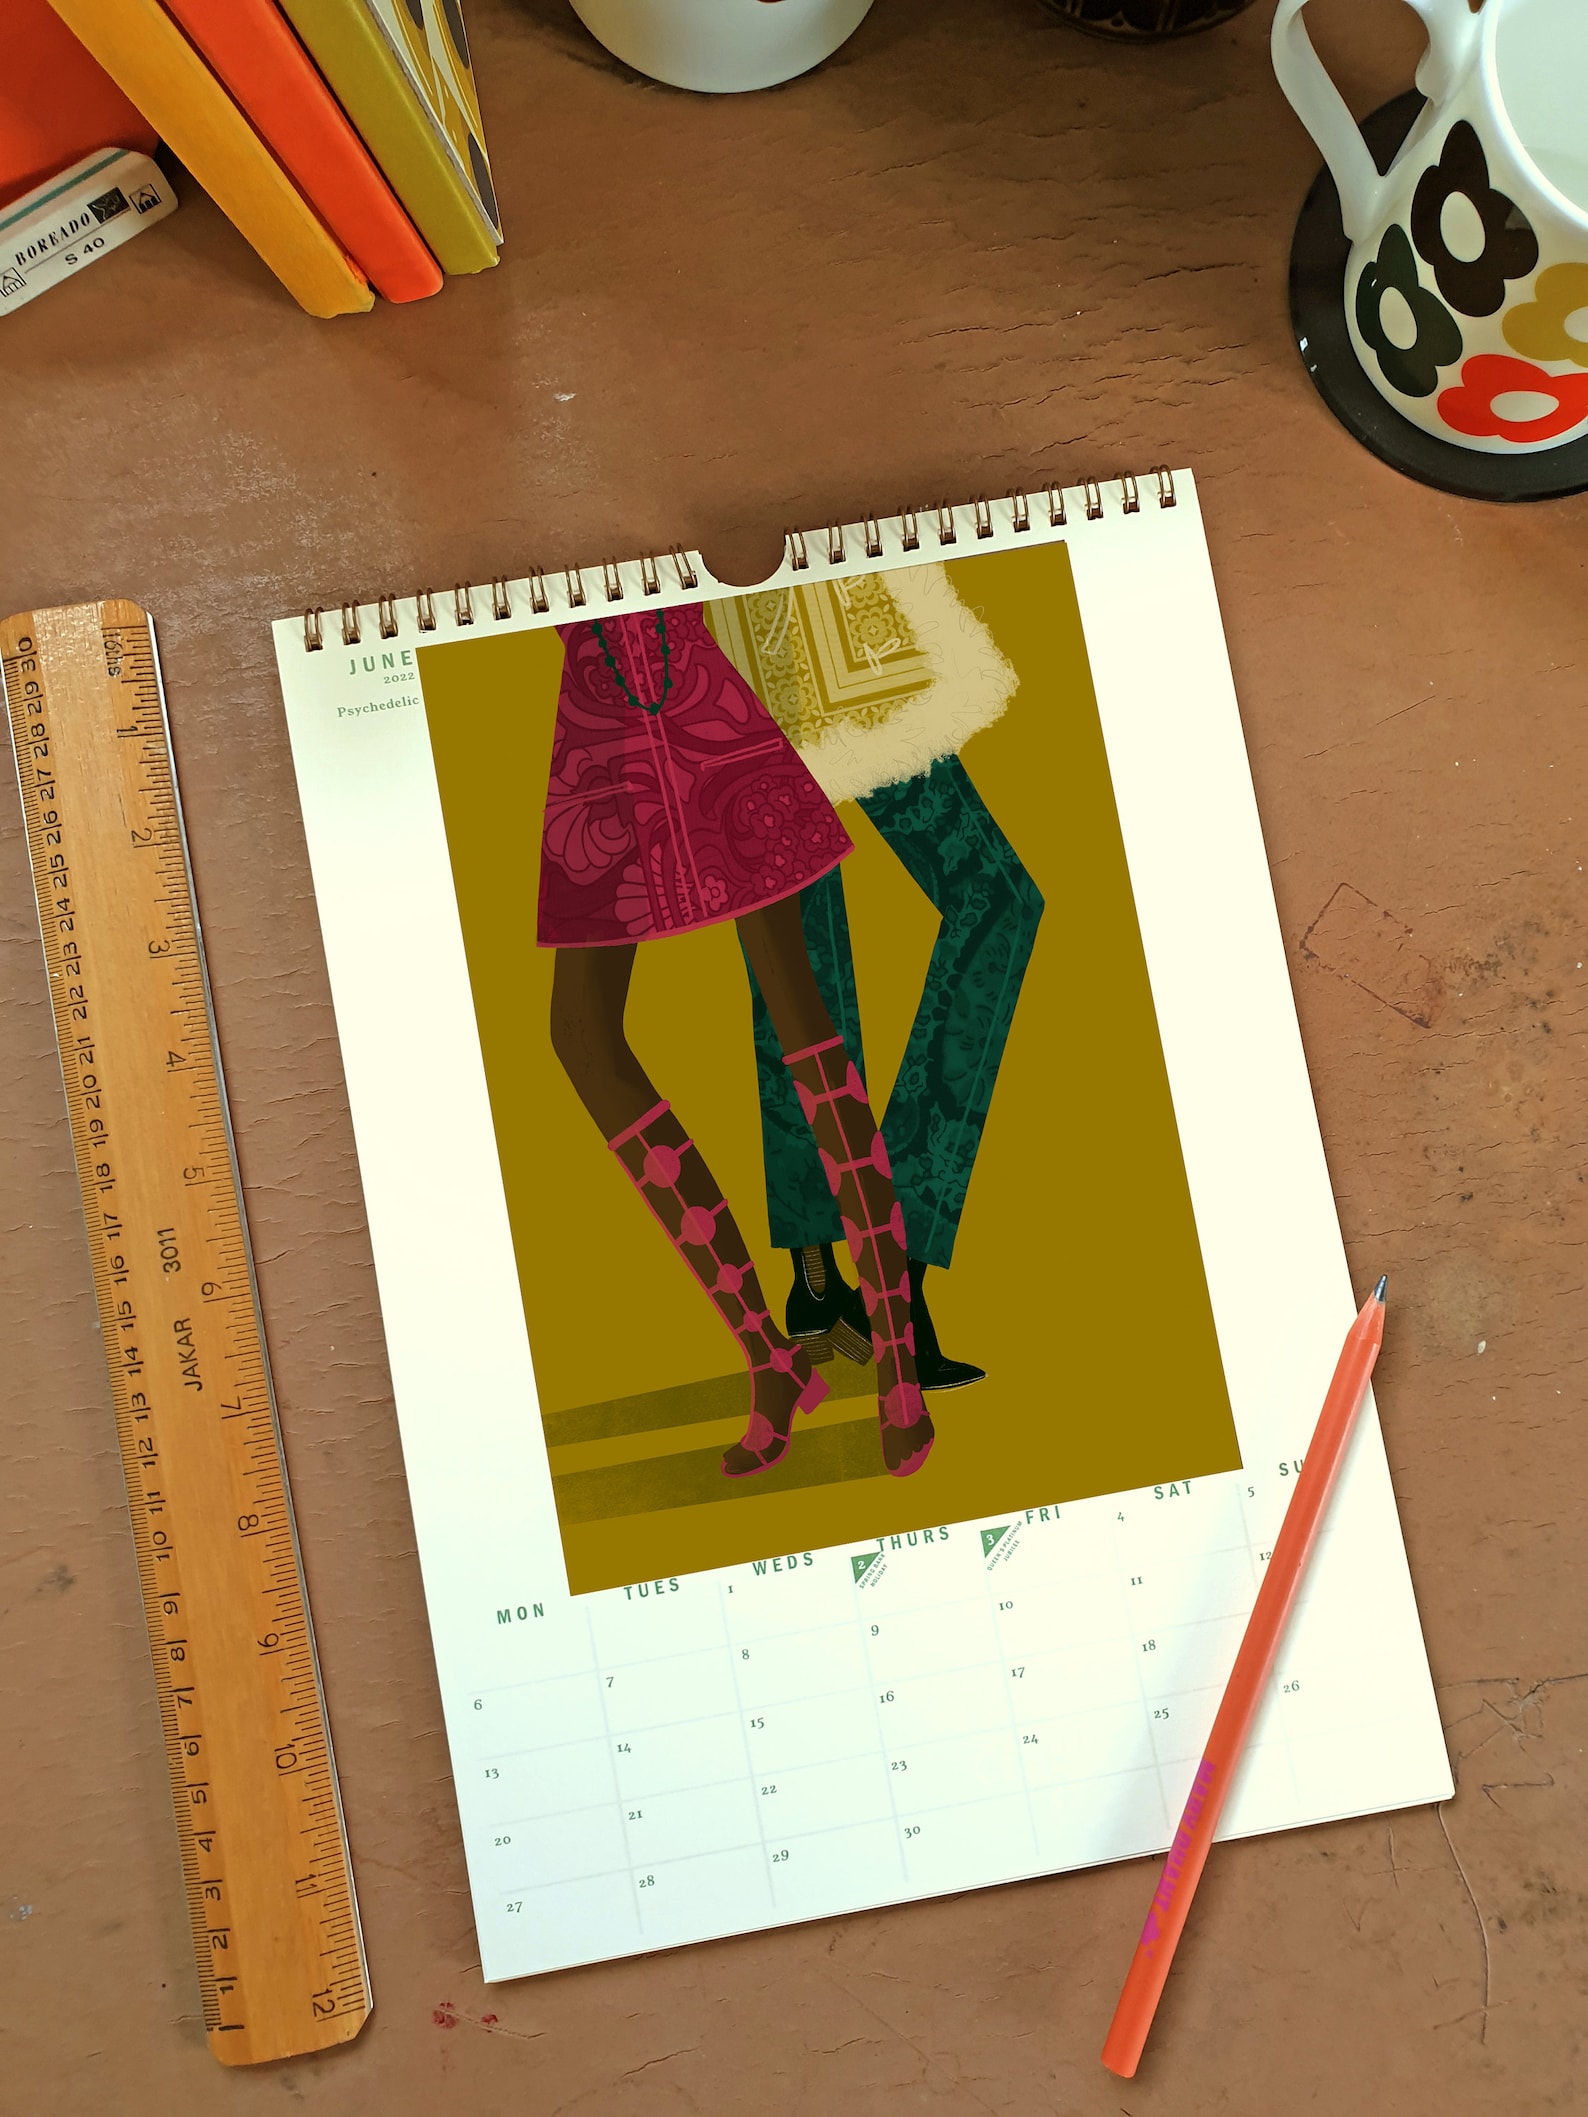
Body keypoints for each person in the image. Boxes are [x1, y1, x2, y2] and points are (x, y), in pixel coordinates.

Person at [540, 601, 934, 1480]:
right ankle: (770, 1354)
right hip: (599, 730)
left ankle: (897, 1362)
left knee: (798, 1011)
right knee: (582, 1033)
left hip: (695, 702)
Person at [706, 569, 1043, 1392]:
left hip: (775, 649)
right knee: (825, 946)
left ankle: (825, 1274)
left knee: (810, 952)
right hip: (801, 645)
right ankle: (883, 1278)